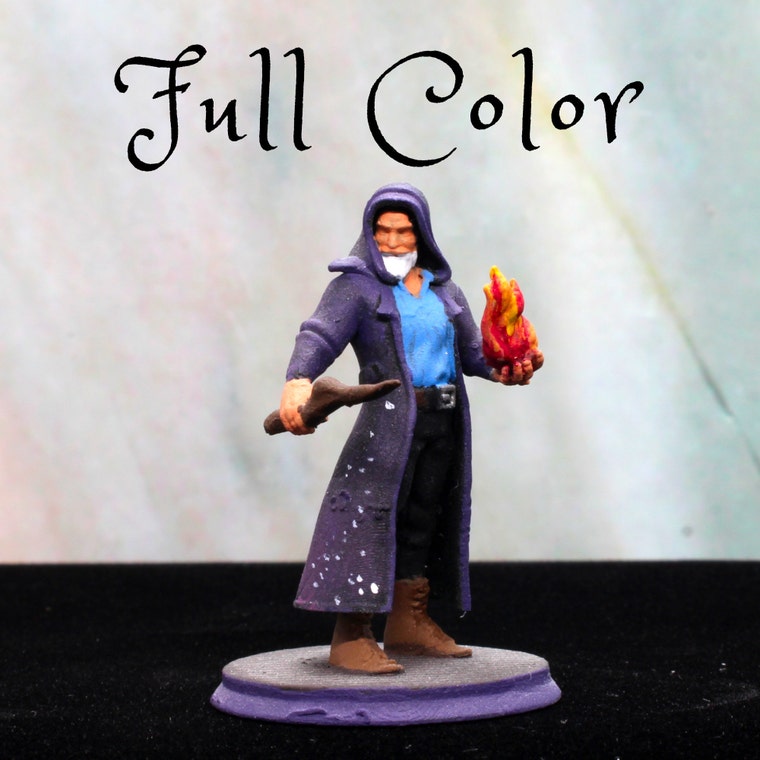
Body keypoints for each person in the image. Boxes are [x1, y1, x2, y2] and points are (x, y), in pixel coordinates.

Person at [278, 183, 542, 674]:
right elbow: (320, 333)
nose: (393, 241)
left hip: (442, 421)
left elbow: (474, 355)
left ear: (421, 234)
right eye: (383, 232)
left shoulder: (446, 292)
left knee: (424, 518)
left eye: (403, 231)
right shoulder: (357, 287)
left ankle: (408, 623)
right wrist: (298, 380)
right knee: (371, 520)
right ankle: (352, 635)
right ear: (370, 233)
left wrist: (508, 366)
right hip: (388, 425)